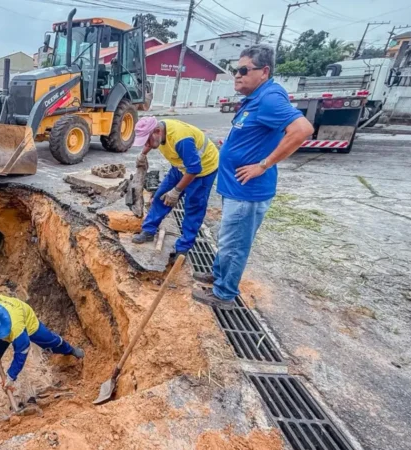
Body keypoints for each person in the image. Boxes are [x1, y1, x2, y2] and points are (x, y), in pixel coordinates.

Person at [192, 44, 313, 310]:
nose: (237, 74)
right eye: (236, 69)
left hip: (248, 191)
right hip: (235, 188)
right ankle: (219, 276)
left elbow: (302, 130)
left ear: (264, 71)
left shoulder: (269, 98)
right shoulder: (256, 98)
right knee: (228, 239)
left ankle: (224, 295)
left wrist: (263, 164)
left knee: (235, 244)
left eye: (244, 69)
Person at [0, 277, 84, 419]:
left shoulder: (17, 328)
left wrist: (11, 376)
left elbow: (21, 352)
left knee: (50, 340)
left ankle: (69, 350)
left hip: (25, 320)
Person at [130, 117, 219, 261]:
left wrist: (176, 191)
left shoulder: (181, 140)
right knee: (160, 196)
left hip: (202, 171)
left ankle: (182, 249)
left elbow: (195, 168)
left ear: (157, 132)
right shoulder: (159, 132)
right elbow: (151, 142)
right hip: (180, 166)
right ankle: (148, 230)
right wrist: (143, 154)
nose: (146, 144)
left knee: (193, 207)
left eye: (147, 140)